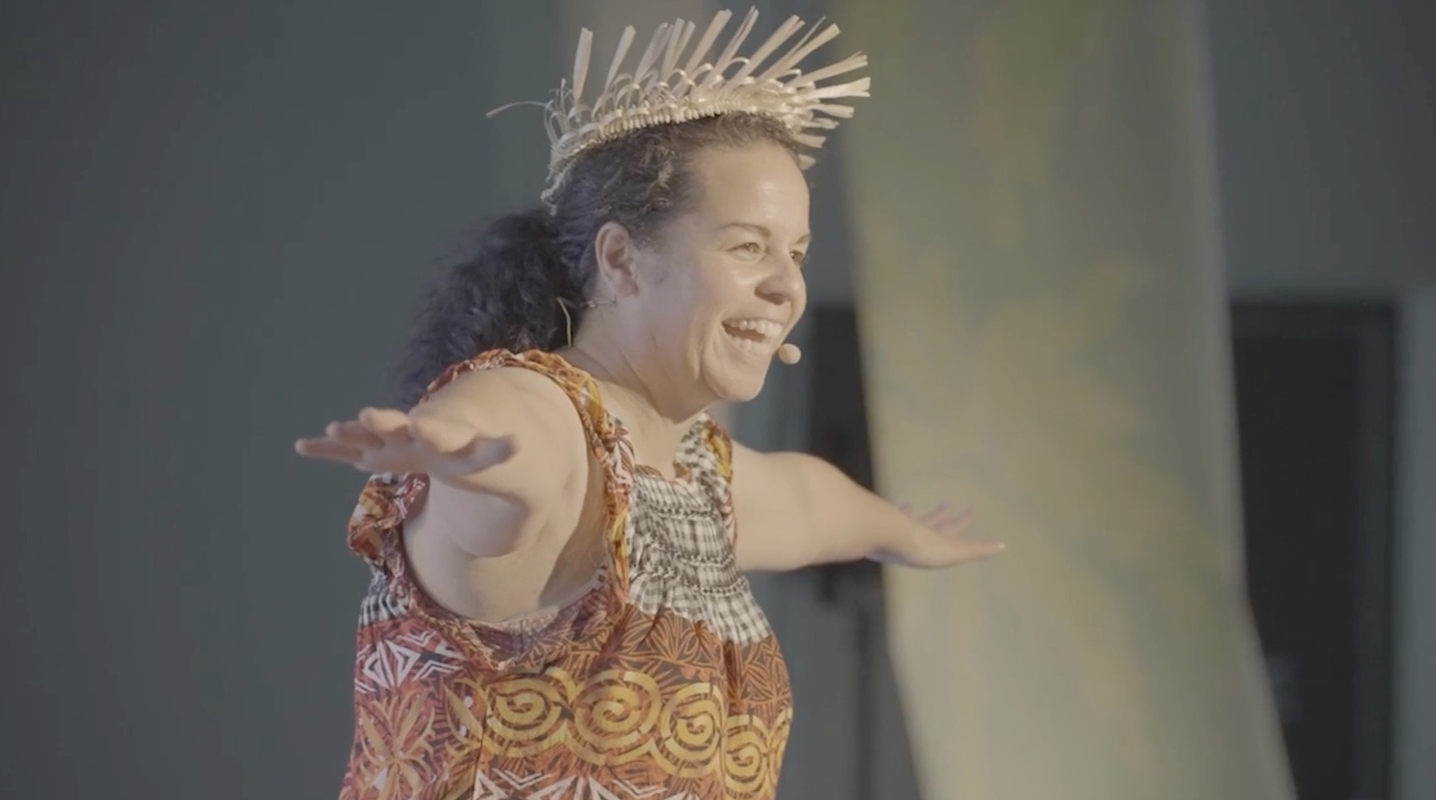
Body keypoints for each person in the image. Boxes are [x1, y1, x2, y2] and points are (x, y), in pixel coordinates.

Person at [295, 9, 1003, 799]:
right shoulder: (550, 415)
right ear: (622, 259)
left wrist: (905, 532)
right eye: (746, 245)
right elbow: (517, 444)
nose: (785, 285)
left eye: (795, 253)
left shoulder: (695, 469)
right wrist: (460, 449)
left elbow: (808, 502)